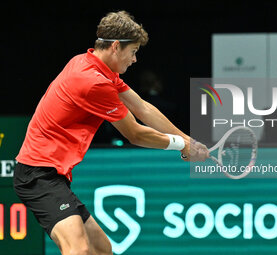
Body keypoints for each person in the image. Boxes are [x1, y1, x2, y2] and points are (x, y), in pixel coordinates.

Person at [13, 11, 209, 255]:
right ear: (116, 46)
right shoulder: (93, 82)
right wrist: (180, 145)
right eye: (134, 51)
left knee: (101, 248)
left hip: (53, 175)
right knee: (78, 250)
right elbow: (135, 133)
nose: (135, 59)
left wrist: (190, 141)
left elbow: (143, 108)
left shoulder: (91, 65)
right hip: (38, 174)